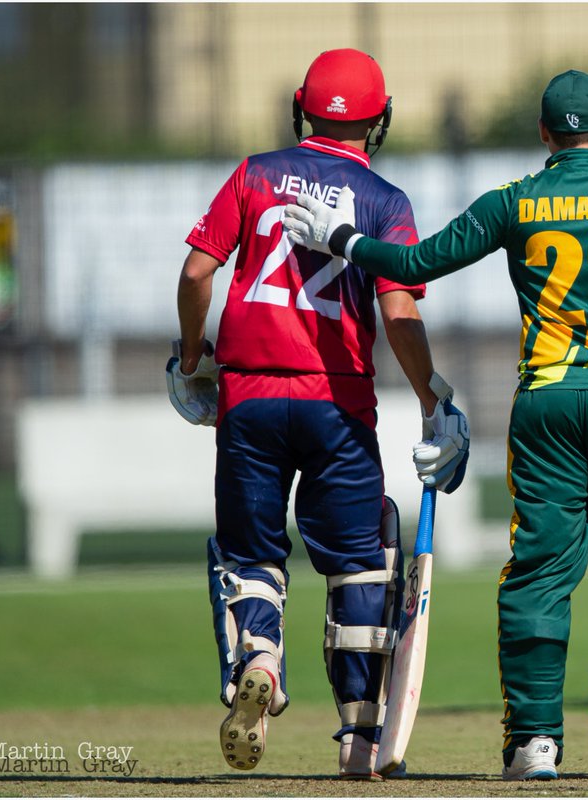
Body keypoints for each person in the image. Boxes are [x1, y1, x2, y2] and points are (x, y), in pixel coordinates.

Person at [281, 69, 588, 780]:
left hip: (546, 404)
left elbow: (413, 262)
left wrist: (344, 239)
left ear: (543, 133)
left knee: (539, 570)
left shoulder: (517, 201)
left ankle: (534, 741)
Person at [164, 48, 470, 778]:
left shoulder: (253, 173)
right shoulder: (387, 201)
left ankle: (260, 655)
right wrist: (433, 398)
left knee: (252, 555)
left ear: (300, 105)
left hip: (251, 396)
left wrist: (188, 355)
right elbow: (398, 313)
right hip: (337, 402)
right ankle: (360, 740)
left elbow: (197, 270)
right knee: (360, 565)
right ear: (382, 120)